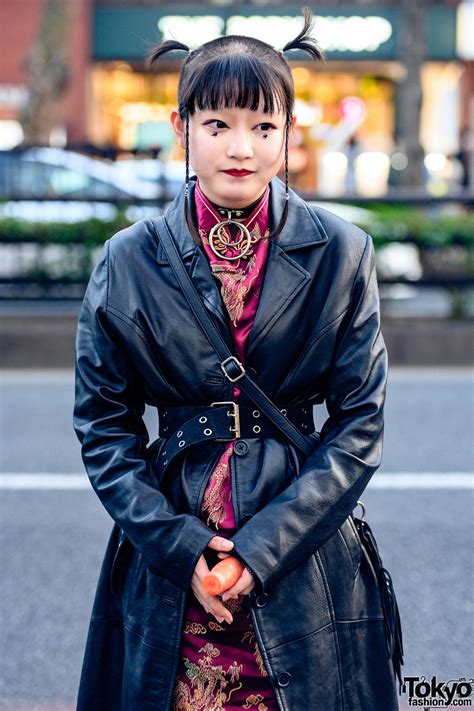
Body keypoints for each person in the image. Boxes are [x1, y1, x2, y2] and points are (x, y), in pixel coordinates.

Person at [73, 8, 400, 710]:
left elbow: (360, 424)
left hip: (304, 548)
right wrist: (182, 547)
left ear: (289, 132)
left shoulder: (343, 250)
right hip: (170, 548)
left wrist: (260, 548)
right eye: (218, 125)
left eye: (263, 126)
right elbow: (103, 426)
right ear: (180, 129)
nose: (241, 148)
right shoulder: (127, 260)